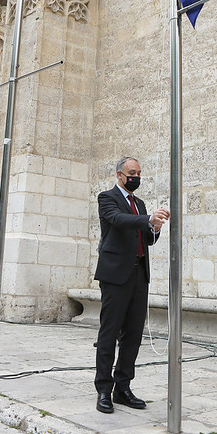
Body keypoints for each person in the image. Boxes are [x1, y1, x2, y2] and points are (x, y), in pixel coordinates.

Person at [94, 156, 170, 413]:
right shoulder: (107, 198)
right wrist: (148, 219)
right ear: (119, 175)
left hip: (139, 274)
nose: (135, 177)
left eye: (138, 173)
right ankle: (103, 389)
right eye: (131, 173)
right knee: (109, 332)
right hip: (115, 276)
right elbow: (116, 220)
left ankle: (122, 387)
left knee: (134, 334)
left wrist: (155, 227)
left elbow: (147, 239)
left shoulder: (140, 203)